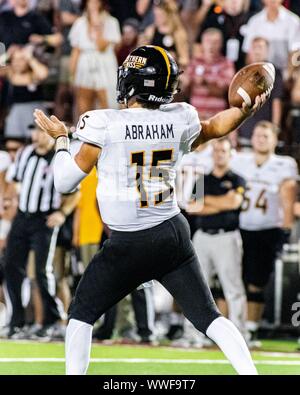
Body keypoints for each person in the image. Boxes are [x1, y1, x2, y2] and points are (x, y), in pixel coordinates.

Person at [34, 45, 267, 375]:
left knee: (81, 315)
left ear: (133, 83)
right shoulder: (179, 119)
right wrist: (243, 111)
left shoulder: (105, 124)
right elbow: (216, 125)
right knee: (209, 317)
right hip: (172, 233)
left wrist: (60, 138)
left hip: (128, 243)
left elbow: (63, 181)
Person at [3, 124, 80, 339]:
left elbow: (75, 192)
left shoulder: (60, 157)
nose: (36, 136)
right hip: (22, 217)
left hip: (43, 220)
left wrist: (62, 214)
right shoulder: (26, 153)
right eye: (34, 132)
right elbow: (15, 181)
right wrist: (11, 200)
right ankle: (16, 321)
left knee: (41, 272)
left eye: (40, 132)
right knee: (11, 267)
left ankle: (52, 320)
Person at [231, 120, 298, 346]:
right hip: (239, 227)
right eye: (258, 135)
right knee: (233, 280)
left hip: (267, 229)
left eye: (265, 136)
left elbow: (288, 198)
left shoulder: (284, 164)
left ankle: (251, 328)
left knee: (256, 282)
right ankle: (233, 327)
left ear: (275, 140)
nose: (260, 139)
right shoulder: (239, 160)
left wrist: (285, 229)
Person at [186, 138, 247, 336]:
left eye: (223, 150)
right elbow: (193, 207)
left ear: (231, 154)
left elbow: (234, 203)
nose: (219, 154)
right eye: (216, 150)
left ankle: (239, 333)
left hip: (227, 237)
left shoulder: (237, 178)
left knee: (233, 287)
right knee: (195, 286)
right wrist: (222, 201)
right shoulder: (202, 179)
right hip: (202, 237)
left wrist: (206, 202)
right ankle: (193, 334)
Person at [68, 0, 121, 116]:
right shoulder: (79, 23)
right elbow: (75, 51)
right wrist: (71, 76)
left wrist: (97, 25)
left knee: (107, 106)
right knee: (83, 108)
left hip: (105, 66)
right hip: (84, 66)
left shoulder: (111, 22)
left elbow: (101, 46)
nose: (93, 4)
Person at [238, 37, 284, 147]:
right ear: (249, 51)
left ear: (267, 51)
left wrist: (275, 129)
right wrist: (233, 129)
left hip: (265, 130)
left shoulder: (274, 72)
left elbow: (277, 101)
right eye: (254, 47)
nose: (257, 51)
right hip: (245, 129)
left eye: (261, 47)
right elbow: (235, 102)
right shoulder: (242, 72)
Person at [182, 28, 235, 120]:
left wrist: (205, 82)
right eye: (208, 41)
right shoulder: (194, 62)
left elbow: (226, 89)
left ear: (221, 44)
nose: (211, 45)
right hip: (196, 115)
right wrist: (185, 82)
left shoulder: (226, 63)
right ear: (202, 43)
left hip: (217, 116)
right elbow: (186, 89)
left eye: (215, 42)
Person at [0, 46, 49, 139]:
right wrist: (7, 55)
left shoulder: (33, 75)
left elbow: (43, 74)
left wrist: (30, 58)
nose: (18, 63)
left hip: (35, 112)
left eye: (21, 59)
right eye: (15, 59)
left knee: (35, 139)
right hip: (16, 114)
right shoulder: (11, 73)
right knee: (13, 140)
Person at [242, 0, 300, 71]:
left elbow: (295, 54)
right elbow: (248, 54)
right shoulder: (254, 21)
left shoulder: (293, 21)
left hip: (284, 74)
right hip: (260, 74)